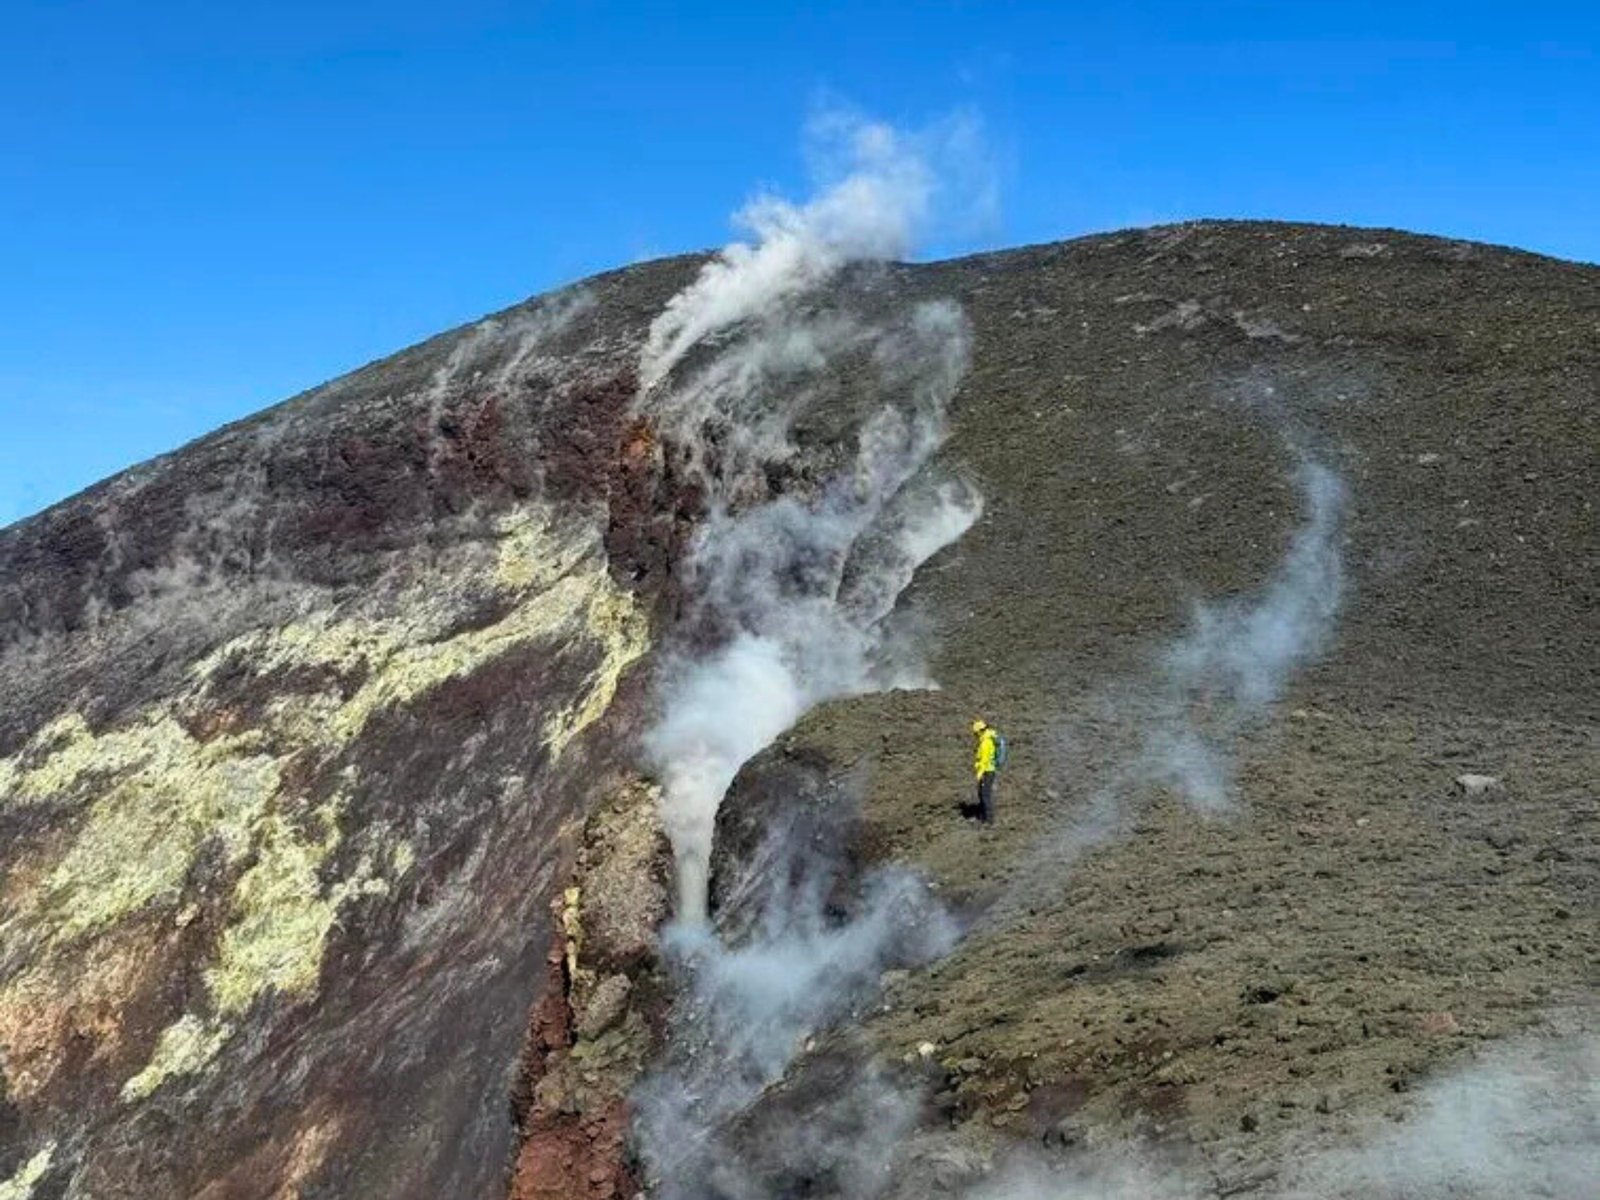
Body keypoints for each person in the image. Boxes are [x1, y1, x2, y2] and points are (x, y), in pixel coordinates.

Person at [971, 718, 1001, 824]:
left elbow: (984, 760)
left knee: (985, 795)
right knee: (982, 794)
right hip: (988, 771)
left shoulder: (985, 742)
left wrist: (979, 774)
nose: (975, 735)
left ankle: (989, 820)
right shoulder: (987, 739)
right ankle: (983, 817)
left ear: (980, 731)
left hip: (987, 772)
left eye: (975, 733)